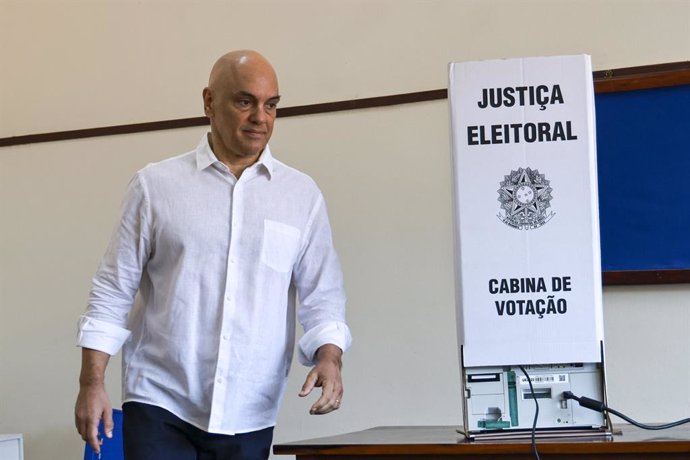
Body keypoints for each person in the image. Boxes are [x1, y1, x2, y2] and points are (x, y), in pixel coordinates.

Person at [74, 50, 351, 460]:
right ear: (208, 102)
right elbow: (113, 290)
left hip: (250, 409)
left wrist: (330, 357)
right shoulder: (156, 186)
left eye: (271, 105)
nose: (261, 116)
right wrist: (91, 384)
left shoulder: (301, 196)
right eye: (245, 101)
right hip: (160, 400)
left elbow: (322, 295)